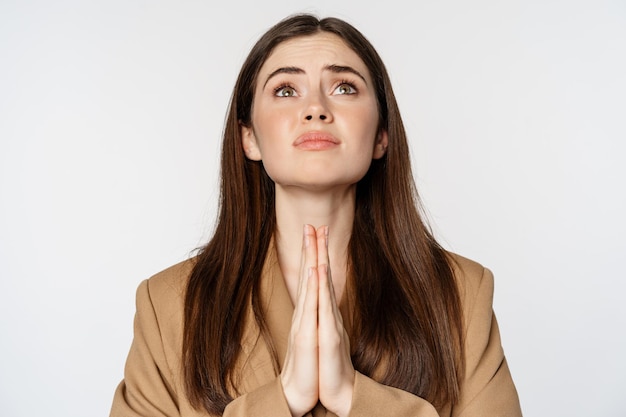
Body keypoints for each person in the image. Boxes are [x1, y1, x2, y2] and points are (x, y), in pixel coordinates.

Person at [110, 13, 522, 417]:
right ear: (248, 137)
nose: (315, 109)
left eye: (344, 87)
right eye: (286, 90)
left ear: (382, 134)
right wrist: (283, 399)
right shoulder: (169, 305)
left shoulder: (462, 294)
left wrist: (354, 397)